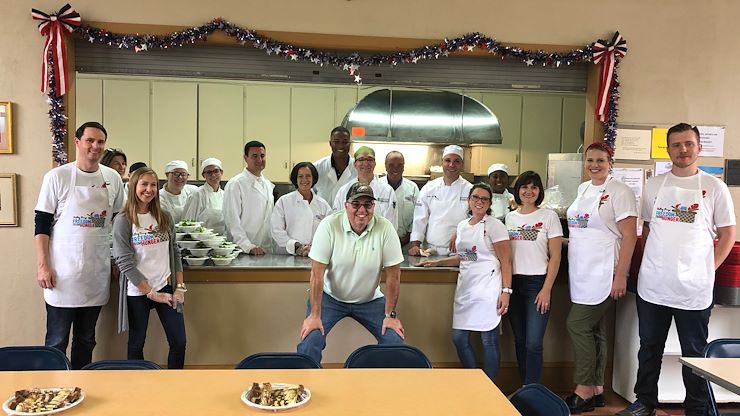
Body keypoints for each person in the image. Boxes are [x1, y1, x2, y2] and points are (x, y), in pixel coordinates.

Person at [617, 124, 736, 416]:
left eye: (688, 144)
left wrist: (709, 268)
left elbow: (728, 233)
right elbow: (645, 229)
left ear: (699, 147)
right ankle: (645, 402)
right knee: (649, 349)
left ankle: (696, 408)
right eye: (676, 145)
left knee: (694, 352)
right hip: (654, 286)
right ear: (668, 149)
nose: (683, 150)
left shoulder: (714, 187)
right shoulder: (655, 185)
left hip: (693, 289)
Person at [34, 121, 125, 369]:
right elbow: (41, 224)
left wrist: (117, 260)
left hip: (95, 273)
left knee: (86, 339)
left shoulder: (112, 178)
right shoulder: (57, 176)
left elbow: (119, 223)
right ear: (77, 142)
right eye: (90, 140)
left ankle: (80, 389)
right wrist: (43, 266)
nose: (95, 146)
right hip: (61, 275)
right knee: (56, 340)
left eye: (100, 142)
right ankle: (53, 391)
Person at [564, 142, 638, 414]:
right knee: (595, 330)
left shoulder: (620, 191)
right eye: (590, 160)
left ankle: (582, 389)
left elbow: (629, 236)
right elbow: (582, 229)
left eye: (600, 160)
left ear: (610, 163)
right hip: (582, 270)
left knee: (577, 324)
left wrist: (621, 276)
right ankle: (597, 390)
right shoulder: (584, 189)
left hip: (606, 271)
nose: (594, 165)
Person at [297, 182, 405, 363]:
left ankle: (385, 386)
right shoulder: (329, 225)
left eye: (368, 205)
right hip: (331, 298)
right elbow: (317, 275)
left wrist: (390, 316)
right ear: (346, 205)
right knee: (310, 341)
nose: (362, 210)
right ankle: (308, 386)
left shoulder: (385, 228)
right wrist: (315, 315)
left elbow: (394, 276)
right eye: (356, 204)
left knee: (395, 341)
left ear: (374, 207)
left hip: (369, 300)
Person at [417, 183, 512, 381]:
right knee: (459, 338)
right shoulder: (462, 226)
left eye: (484, 199)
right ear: (469, 200)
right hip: (466, 288)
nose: (479, 202)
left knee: (489, 340)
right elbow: (466, 256)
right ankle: (475, 381)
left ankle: (490, 388)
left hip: (488, 288)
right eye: (475, 197)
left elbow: (506, 260)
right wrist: (438, 263)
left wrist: (506, 292)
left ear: (489, 203)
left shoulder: (494, 225)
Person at [112, 167, 187, 369]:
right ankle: (137, 388)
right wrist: (151, 293)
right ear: (133, 186)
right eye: (144, 184)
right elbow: (124, 261)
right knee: (136, 343)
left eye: (153, 184)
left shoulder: (165, 217)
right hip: (139, 291)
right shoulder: (123, 220)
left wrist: (180, 287)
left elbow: (175, 252)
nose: (149, 189)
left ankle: (175, 384)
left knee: (179, 342)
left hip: (166, 287)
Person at [504, 171, 562, 385]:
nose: (529, 191)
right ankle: (524, 388)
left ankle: (533, 390)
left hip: (538, 284)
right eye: (524, 187)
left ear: (539, 191)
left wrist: (546, 289)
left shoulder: (548, 217)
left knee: (534, 343)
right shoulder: (509, 218)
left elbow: (555, 256)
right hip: (513, 284)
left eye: (534, 187)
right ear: (517, 191)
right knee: (520, 341)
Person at [409, 145, 472, 256]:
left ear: (462, 165)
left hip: (460, 250)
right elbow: (420, 219)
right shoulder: (429, 188)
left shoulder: (470, 190)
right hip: (431, 251)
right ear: (442, 162)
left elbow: (475, 219)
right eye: (447, 160)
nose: (451, 165)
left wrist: (460, 232)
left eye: (456, 161)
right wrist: (415, 245)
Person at [223, 140, 275, 255]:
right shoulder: (236, 184)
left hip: (265, 250)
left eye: (262, 156)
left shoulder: (266, 184)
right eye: (254, 156)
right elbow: (232, 220)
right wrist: (248, 246)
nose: (259, 160)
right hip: (243, 250)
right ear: (245, 158)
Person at [271, 162, 332, 256]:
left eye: (308, 176)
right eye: (300, 176)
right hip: (287, 256)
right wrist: (296, 246)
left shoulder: (323, 205)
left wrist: (314, 247)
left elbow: (329, 231)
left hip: (315, 254)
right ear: (295, 179)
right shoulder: (284, 201)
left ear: (313, 178)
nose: (304, 180)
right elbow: (276, 230)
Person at [333, 146, 398, 231]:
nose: (366, 163)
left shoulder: (387, 191)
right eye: (361, 159)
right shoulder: (344, 191)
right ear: (355, 164)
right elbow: (337, 221)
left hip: (379, 239)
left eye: (370, 159)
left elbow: (391, 225)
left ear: (375, 163)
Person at [379, 151, 419, 248]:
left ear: (403, 167)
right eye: (391, 165)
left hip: (406, 242)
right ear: (385, 166)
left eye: (399, 165)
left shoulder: (412, 188)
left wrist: (408, 237)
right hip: (380, 242)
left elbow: (418, 215)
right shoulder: (377, 186)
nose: (395, 168)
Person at [313, 126, 357, 204]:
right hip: (323, 215)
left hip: (348, 215)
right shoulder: (317, 168)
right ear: (330, 143)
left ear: (349, 144)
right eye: (336, 142)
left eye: (345, 142)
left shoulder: (358, 168)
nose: (340, 145)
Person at [182, 158, 226, 236]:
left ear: (221, 172)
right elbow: (188, 224)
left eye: (216, 171)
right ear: (203, 175)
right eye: (209, 172)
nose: (213, 175)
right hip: (201, 243)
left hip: (221, 242)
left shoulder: (225, 195)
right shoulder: (197, 194)